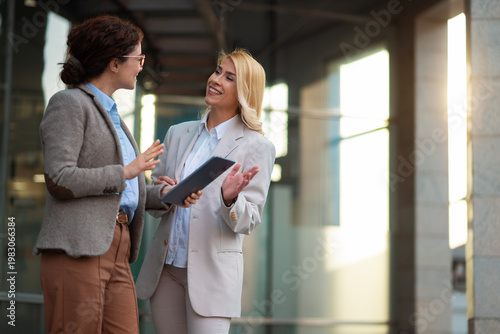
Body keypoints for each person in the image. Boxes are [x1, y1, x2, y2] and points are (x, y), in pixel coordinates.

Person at [32, 15, 199, 334]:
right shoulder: (68, 103)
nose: (141, 65)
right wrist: (129, 170)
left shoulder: (114, 118)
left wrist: (164, 195)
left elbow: (123, 188)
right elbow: (60, 178)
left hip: (120, 247)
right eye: (138, 58)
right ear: (114, 62)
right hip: (78, 247)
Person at [136, 48, 276, 333]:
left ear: (244, 92)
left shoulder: (258, 147)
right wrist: (164, 194)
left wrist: (230, 198)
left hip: (213, 274)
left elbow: (249, 222)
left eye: (229, 77)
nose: (216, 80)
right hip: (166, 269)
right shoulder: (178, 133)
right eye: (217, 72)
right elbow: (151, 200)